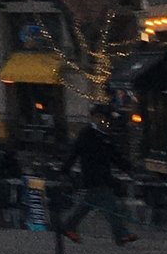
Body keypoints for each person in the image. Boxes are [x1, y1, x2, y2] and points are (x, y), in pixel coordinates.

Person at [56, 104, 138, 245]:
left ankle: (69, 226)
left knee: (87, 205)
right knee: (110, 206)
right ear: (94, 118)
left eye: (105, 118)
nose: (103, 121)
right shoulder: (86, 134)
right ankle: (121, 234)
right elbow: (74, 153)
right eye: (100, 117)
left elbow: (114, 156)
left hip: (103, 176)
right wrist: (65, 170)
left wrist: (127, 168)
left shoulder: (105, 136)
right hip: (93, 176)